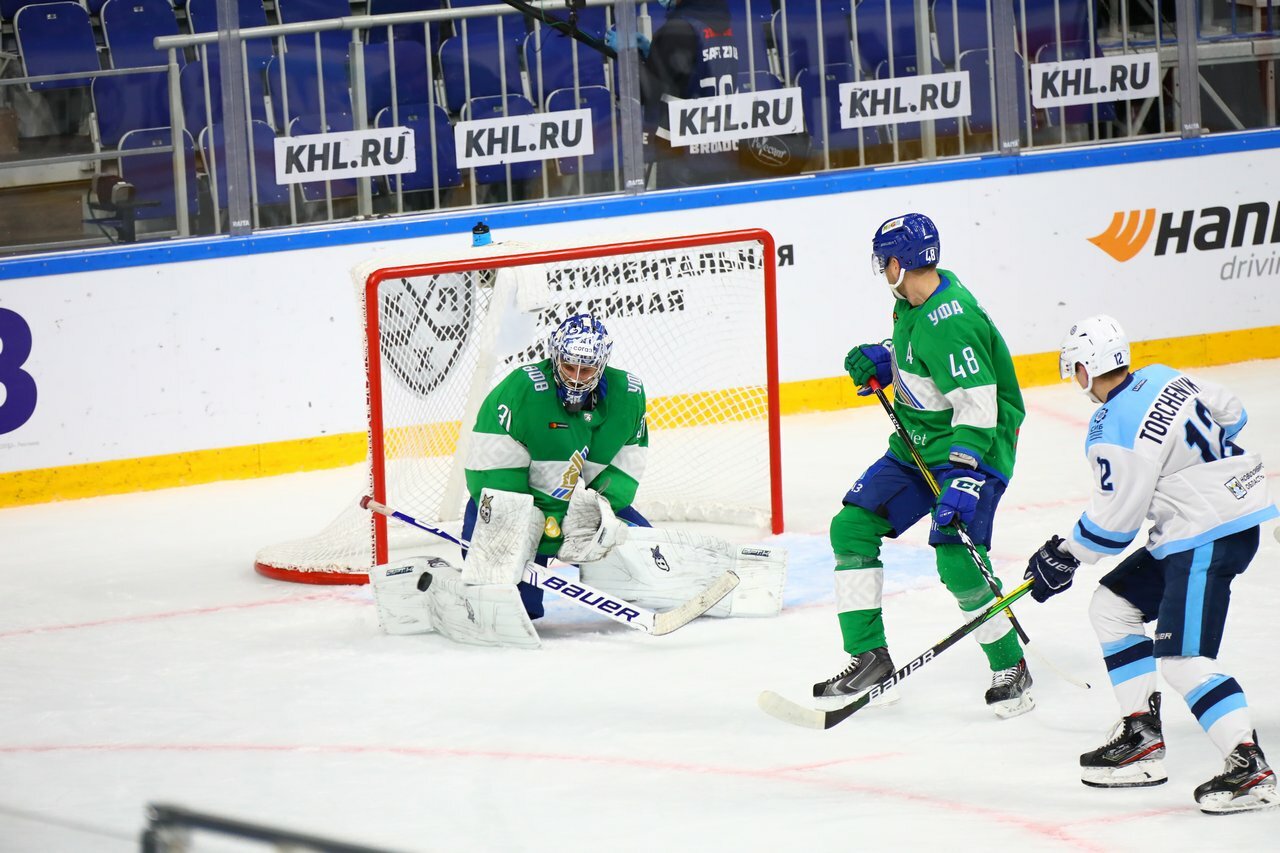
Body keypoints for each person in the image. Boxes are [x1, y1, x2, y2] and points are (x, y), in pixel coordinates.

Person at [1023, 315, 1279, 814]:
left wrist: (1064, 555)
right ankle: (1140, 735)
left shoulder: (1112, 426)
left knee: (1182, 659)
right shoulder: (1162, 375)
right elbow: (1233, 412)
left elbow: (1113, 525)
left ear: (1084, 369)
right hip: (1211, 520)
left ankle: (1250, 768)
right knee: (1112, 606)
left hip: (1207, 532)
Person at [818, 212, 1032, 718]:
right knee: (851, 528)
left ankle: (1012, 665)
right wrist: (886, 359)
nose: (882, 270)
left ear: (900, 262)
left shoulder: (952, 320)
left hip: (974, 451)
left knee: (958, 561)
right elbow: (922, 359)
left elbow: (979, 406)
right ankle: (870, 657)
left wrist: (964, 475)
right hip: (916, 446)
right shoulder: (912, 302)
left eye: (884, 261)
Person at [462, 312, 651, 619]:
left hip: (576, 506)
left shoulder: (628, 396)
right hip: (515, 508)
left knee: (648, 560)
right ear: (554, 356)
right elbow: (491, 472)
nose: (576, 377)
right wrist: (544, 524)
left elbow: (626, 469)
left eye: (586, 369)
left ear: (602, 365)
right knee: (517, 610)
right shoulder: (523, 391)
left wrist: (595, 510)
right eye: (568, 366)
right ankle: (478, 588)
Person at [610, 0, 743, 189]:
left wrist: (626, 55)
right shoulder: (724, 24)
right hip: (721, 148)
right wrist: (654, 53)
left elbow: (644, 91)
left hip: (682, 155)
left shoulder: (677, 29)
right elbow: (688, 70)